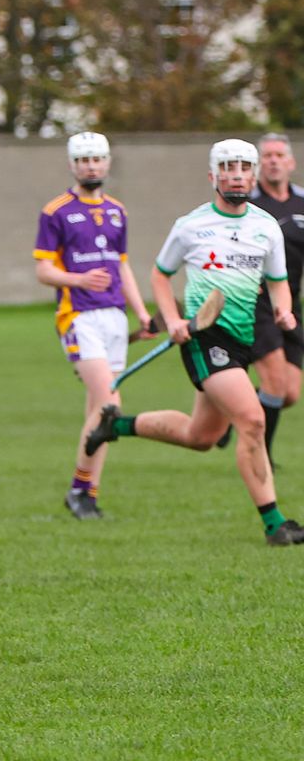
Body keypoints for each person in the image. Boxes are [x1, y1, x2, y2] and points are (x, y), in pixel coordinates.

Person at [86, 138, 304, 546]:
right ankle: (275, 524)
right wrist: (171, 319)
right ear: (212, 176)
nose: (236, 174)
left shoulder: (265, 227)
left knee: (200, 437)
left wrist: (284, 310)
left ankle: (116, 424)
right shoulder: (192, 225)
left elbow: (277, 282)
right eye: (227, 168)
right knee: (253, 420)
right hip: (205, 338)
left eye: (243, 168)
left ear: (252, 176)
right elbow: (160, 275)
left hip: (243, 336)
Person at [33, 132, 154, 520]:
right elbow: (44, 270)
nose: (91, 166)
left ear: (107, 163)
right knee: (109, 405)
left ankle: (84, 491)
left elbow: (122, 266)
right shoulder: (56, 211)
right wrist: (79, 280)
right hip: (78, 316)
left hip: (114, 317)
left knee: (96, 410)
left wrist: (142, 313)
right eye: (83, 160)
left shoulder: (118, 211)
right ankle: (79, 491)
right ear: (72, 164)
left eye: (97, 159)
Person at [247, 132, 304, 463]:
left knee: (290, 393)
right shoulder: (249, 206)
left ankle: (235, 407)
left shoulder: (301, 204)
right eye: (266, 155)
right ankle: (261, 456)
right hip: (258, 306)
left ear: (290, 162)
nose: (272, 160)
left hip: (291, 305)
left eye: (278, 155)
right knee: (275, 384)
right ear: (258, 164)